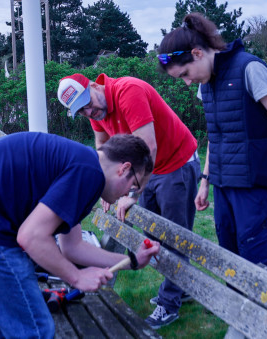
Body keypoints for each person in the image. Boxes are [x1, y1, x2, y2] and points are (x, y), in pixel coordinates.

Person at [0, 132, 159, 338]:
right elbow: (30, 237)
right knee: (36, 331)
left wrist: (132, 261)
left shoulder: (82, 163)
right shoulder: (89, 173)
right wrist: (76, 278)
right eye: (132, 187)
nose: (126, 196)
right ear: (124, 168)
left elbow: (73, 248)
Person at [156, 12, 267, 271]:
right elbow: (217, 136)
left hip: (255, 190)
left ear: (198, 53)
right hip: (223, 190)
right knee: (231, 268)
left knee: (257, 272)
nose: (187, 82)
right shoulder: (206, 84)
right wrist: (205, 181)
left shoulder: (250, 68)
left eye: (186, 73)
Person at [57, 73, 200, 329]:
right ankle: (181, 287)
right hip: (148, 169)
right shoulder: (97, 112)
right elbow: (102, 146)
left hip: (175, 163)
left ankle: (169, 304)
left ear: (94, 86)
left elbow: (149, 149)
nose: (90, 112)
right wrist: (103, 187)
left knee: (173, 236)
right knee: (153, 235)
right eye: (82, 111)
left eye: (89, 104)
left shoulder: (127, 91)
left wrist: (131, 194)